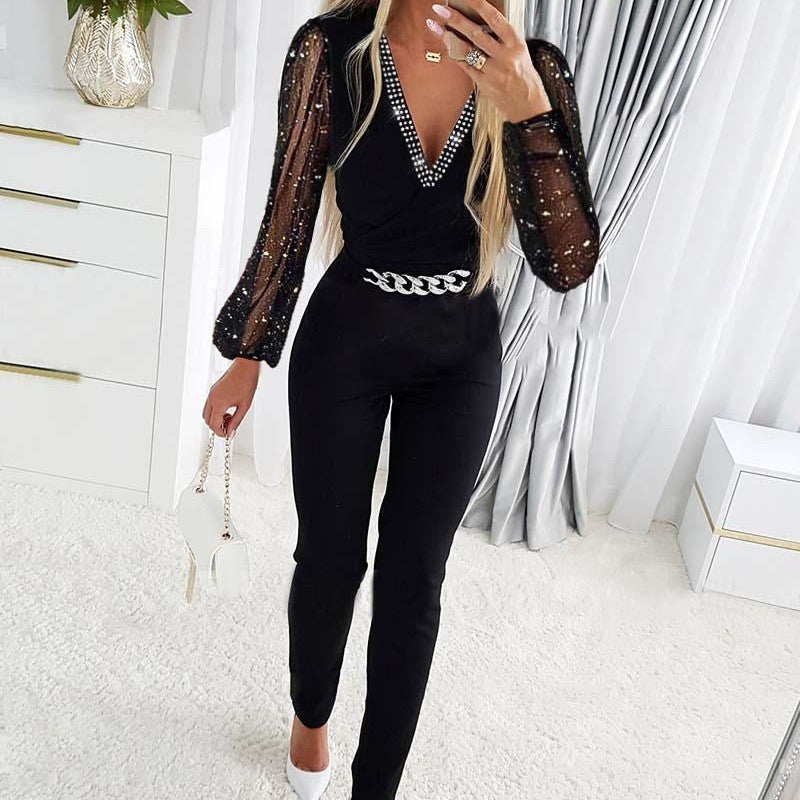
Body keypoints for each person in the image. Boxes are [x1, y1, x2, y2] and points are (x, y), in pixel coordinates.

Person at [203, 0, 599, 797]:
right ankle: (311, 716)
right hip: (345, 337)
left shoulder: (533, 69)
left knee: (415, 578)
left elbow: (566, 265)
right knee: (329, 558)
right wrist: (247, 353)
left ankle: (376, 785)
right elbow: (288, 211)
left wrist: (527, 108)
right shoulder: (333, 49)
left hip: (460, 352)